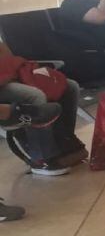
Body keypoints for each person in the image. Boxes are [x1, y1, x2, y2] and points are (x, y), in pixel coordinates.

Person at [0, 43, 85, 176]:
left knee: (70, 86)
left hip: (6, 74)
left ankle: (64, 139)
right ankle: (41, 157)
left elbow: (6, 54)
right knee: (35, 96)